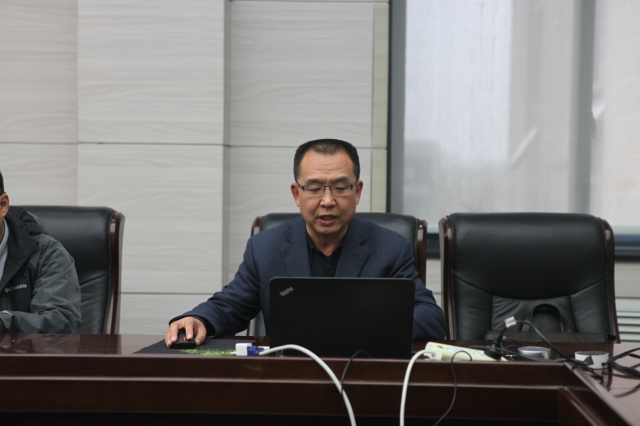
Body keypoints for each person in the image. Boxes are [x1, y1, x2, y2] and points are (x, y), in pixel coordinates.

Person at [165, 139, 445, 346]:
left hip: (363, 375)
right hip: (290, 378)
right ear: (296, 194)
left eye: (340, 187)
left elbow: (430, 318)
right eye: (314, 188)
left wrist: (361, 327)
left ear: (357, 191)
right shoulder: (265, 248)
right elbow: (230, 305)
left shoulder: (391, 249)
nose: (327, 201)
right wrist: (198, 320)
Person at [0, 171, 81, 333]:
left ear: (3, 205)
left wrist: (4, 322)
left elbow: (59, 323)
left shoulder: (47, 253)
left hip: (21, 350)